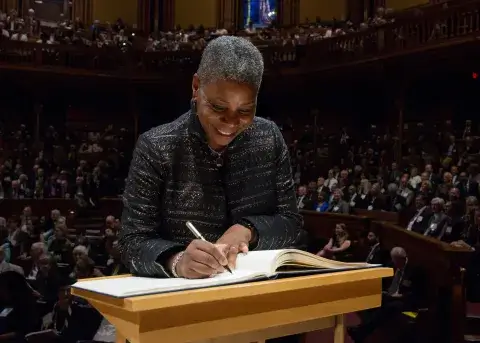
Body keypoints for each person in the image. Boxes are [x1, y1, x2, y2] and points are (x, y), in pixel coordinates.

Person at [119, 36, 302, 280]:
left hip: (257, 294)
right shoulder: (156, 147)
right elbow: (131, 242)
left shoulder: (269, 138)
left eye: (245, 110)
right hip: (180, 300)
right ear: (196, 87)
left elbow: (292, 224)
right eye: (218, 107)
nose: (231, 122)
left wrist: (248, 230)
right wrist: (177, 261)